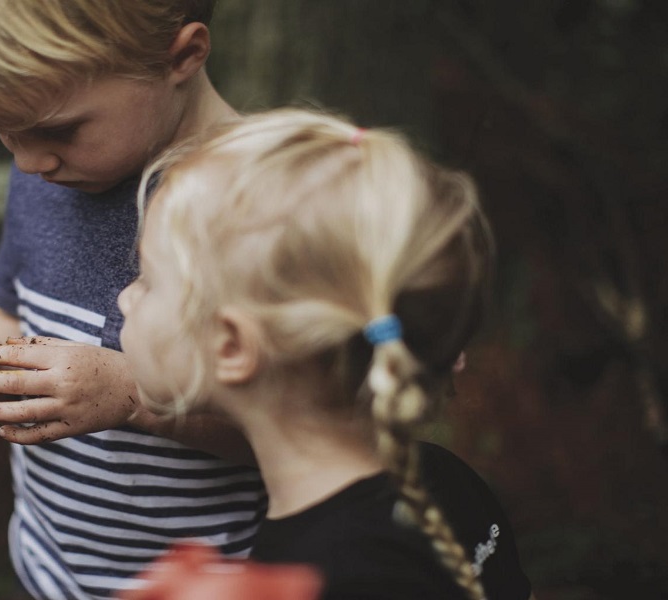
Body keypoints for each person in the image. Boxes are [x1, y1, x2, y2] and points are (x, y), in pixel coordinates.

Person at [0, 1, 266, 598]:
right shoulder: (45, 177)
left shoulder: (261, 209)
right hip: (53, 565)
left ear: (183, 55)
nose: (26, 160)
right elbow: (12, 318)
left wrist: (132, 396)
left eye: (57, 129)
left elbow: (310, 426)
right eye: (2, 132)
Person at [117, 108, 534, 600]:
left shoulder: (314, 581)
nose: (126, 297)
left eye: (148, 280)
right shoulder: (448, 483)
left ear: (231, 346)